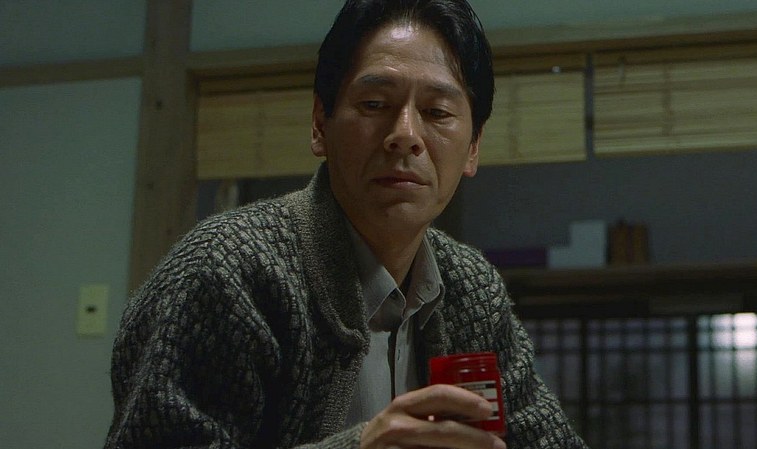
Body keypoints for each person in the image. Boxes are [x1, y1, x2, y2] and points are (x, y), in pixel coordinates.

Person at [104, 1, 589, 448]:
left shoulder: (471, 289)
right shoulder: (227, 270)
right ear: (320, 124)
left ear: (474, 148)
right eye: (375, 104)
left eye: (437, 112)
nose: (405, 135)